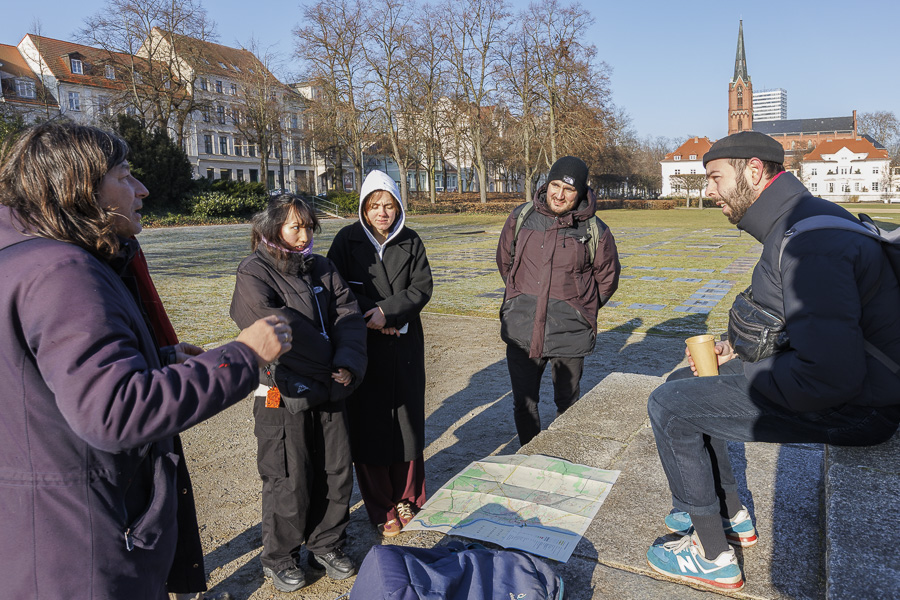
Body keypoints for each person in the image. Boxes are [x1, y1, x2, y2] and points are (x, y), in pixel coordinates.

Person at [0, 122, 290, 600]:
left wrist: (157, 359)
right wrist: (244, 355)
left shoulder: (21, 261)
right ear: (79, 186)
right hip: (85, 548)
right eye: (125, 174)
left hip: (38, 536)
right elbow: (114, 412)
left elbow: (33, 382)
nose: (142, 189)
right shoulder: (62, 271)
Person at [645, 131, 900, 590]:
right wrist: (732, 348)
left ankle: (712, 555)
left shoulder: (808, 243)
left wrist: (750, 371)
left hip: (860, 409)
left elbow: (830, 377)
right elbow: (791, 318)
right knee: (691, 378)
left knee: (669, 405)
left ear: (754, 172)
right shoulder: (799, 221)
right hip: (858, 389)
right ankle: (732, 514)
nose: (708, 191)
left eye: (715, 178)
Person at [230, 195, 367, 592]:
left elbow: (348, 314)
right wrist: (329, 362)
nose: (304, 235)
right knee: (287, 476)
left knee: (336, 470)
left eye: (309, 226)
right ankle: (279, 557)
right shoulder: (253, 272)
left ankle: (326, 543)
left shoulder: (322, 266)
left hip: (331, 386)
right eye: (295, 227)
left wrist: (349, 362)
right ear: (272, 228)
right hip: (281, 391)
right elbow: (275, 327)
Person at [327, 170, 433, 538]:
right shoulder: (346, 240)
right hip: (364, 346)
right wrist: (370, 315)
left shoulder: (412, 240)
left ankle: (408, 497)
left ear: (399, 206)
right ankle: (381, 505)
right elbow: (333, 287)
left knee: (407, 425)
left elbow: (421, 288)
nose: (383, 213)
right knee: (370, 427)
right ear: (364, 208)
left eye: (389, 205)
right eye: (375, 206)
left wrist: (390, 313)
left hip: (403, 344)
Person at [495, 156, 621, 446]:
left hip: (569, 331)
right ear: (547, 183)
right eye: (555, 185)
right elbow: (506, 263)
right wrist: (519, 297)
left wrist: (580, 307)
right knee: (524, 403)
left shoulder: (595, 231)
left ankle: (566, 457)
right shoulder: (521, 217)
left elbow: (607, 279)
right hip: (522, 327)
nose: (559, 195)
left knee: (568, 403)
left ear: (580, 193)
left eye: (568, 189)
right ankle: (530, 454)